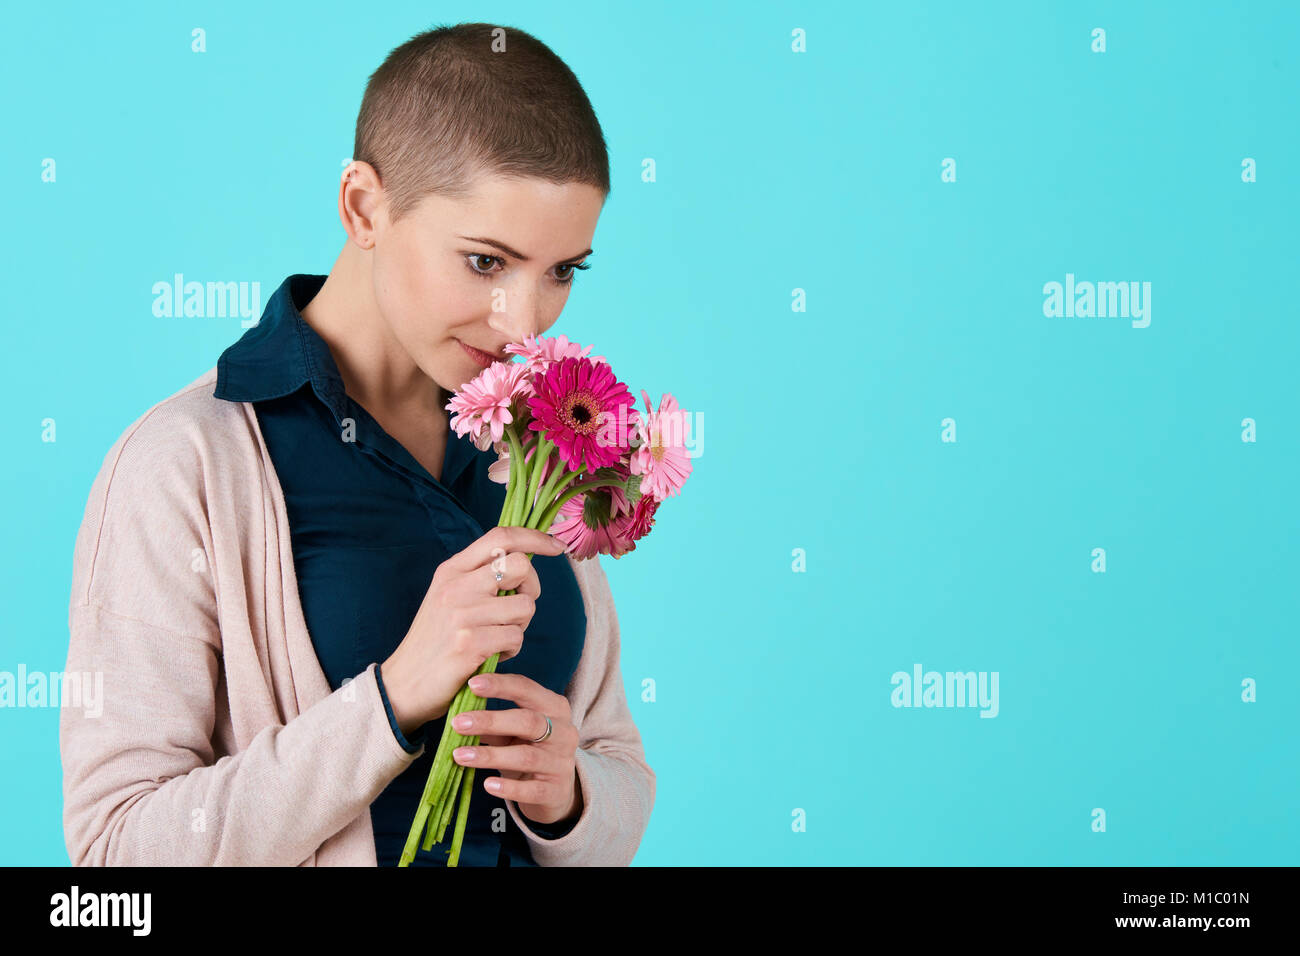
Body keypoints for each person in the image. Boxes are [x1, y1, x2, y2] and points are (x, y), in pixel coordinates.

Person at [59, 22, 654, 867]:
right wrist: (394, 697)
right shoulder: (186, 463)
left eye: (563, 271)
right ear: (363, 207)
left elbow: (617, 764)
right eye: (486, 262)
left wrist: (572, 797)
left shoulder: (539, 451)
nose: (524, 324)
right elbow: (117, 852)